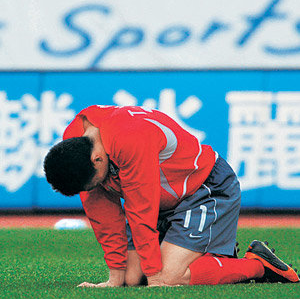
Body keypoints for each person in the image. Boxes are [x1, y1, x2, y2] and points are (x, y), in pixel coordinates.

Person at [44, 105, 299, 287]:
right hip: (162, 201)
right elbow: (102, 212)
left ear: (97, 159)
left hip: (204, 190)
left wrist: (156, 277)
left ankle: (258, 264)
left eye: (93, 184)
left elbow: (140, 210)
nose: (94, 189)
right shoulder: (76, 142)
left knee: (169, 278)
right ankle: (206, 253)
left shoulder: (129, 138)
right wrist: (114, 277)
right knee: (131, 279)